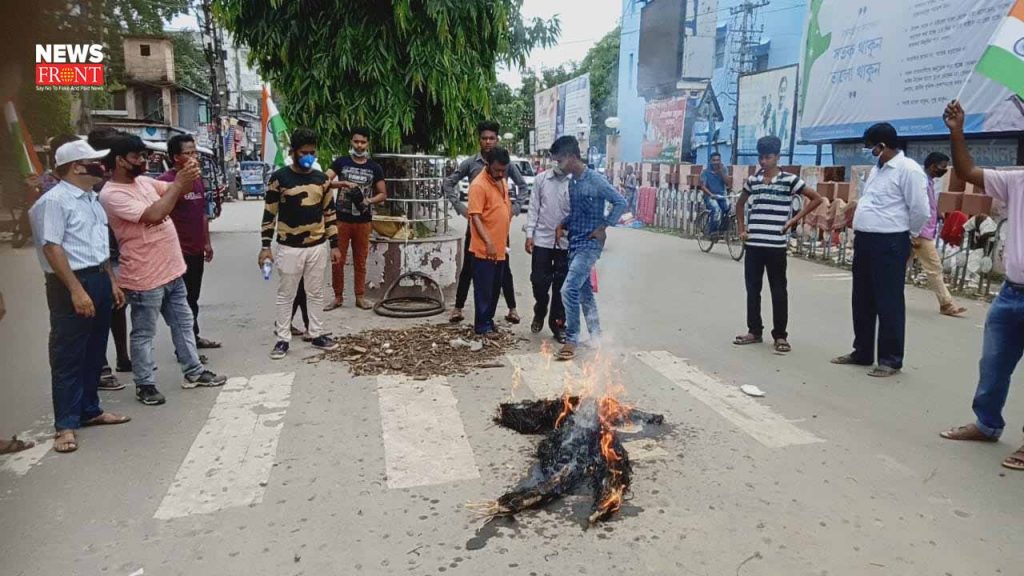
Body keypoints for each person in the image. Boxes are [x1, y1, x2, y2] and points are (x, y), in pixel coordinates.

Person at [99, 135, 228, 406]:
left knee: (182, 323)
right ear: (120, 161)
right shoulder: (112, 194)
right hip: (145, 275)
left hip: (172, 269)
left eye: (144, 156)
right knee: (144, 332)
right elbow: (155, 214)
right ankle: (144, 383)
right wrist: (180, 181)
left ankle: (193, 371)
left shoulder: (144, 182)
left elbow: (177, 194)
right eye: (137, 157)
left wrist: (186, 176)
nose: (143, 161)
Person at [28, 139, 132, 452]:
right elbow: (52, 246)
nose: (102, 167)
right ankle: (66, 425)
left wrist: (110, 281)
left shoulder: (91, 199)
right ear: (76, 167)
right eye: (95, 162)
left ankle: (90, 409)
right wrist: (76, 289)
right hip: (71, 283)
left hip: (98, 278)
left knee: (93, 350)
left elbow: (97, 246)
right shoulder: (54, 201)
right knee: (68, 355)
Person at [939, 101, 1024, 471]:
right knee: (993, 364)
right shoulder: (1017, 179)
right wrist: (957, 130)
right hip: (1011, 292)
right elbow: (967, 170)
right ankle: (987, 424)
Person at [832, 123, 930, 378]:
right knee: (862, 298)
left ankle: (890, 359)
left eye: (872, 149)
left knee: (889, 301)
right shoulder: (877, 170)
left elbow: (920, 209)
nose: (870, 153)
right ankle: (862, 351)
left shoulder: (909, 170)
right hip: (866, 240)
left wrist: (910, 237)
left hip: (890, 241)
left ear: (883, 146)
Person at [734, 136, 822, 353]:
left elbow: (817, 199)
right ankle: (754, 330)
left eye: (768, 157)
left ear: (777, 157)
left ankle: (780, 335)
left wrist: (793, 220)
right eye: (761, 157)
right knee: (753, 289)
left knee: (778, 290)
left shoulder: (790, 180)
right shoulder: (753, 181)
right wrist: (741, 229)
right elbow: (740, 204)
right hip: (754, 244)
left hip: (776, 245)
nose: (764, 161)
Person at [260, 128, 342, 360]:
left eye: (312, 153)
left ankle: (316, 333)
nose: (309, 157)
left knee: (315, 293)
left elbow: (329, 213)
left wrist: (334, 245)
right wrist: (265, 247)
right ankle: (283, 339)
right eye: (304, 152)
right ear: (293, 152)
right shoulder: (280, 179)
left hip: (317, 246)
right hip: (289, 247)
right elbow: (269, 215)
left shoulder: (322, 180)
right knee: (286, 294)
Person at [443, 120, 527, 325]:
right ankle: (459, 307)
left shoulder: (505, 163)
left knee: (503, 267)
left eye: (491, 138)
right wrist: (461, 209)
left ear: (497, 139)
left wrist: (512, 211)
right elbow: (448, 183)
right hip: (477, 224)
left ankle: (512, 308)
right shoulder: (471, 164)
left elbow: (523, 188)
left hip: (499, 228)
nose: (488, 142)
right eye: (484, 138)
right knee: (470, 267)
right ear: (479, 140)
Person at [550, 136, 627, 361]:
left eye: (560, 161)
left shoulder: (595, 180)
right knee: (584, 294)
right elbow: (577, 212)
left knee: (568, 289)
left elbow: (620, 202)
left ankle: (571, 339)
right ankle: (596, 337)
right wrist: (563, 224)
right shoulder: (573, 181)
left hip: (589, 245)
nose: (558, 166)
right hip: (574, 242)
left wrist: (604, 227)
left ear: (572, 157)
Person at [158, 134, 221, 350]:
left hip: (195, 249)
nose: (194, 157)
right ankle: (185, 346)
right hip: (175, 251)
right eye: (189, 153)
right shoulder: (165, 183)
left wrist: (206, 242)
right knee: (181, 302)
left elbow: (203, 213)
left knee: (193, 297)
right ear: (176, 157)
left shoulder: (197, 180)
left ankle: (193, 337)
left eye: (195, 152)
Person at [324, 127, 387, 312]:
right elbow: (324, 181)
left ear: (367, 144)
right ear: (351, 142)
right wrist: (342, 183)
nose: (359, 145)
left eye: (363, 142)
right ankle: (337, 297)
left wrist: (368, 200)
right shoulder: (341, 162)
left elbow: (383, 194)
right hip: (341, 219)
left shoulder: (374, 167)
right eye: (356, 141)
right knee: (338, 260)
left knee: (361, 260)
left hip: (363, 220)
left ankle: (360, 296)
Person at [86, 129, 133, 376]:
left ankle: (122, 357)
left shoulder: (116, 180)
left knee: (118, 306)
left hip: (117, 251)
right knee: (99, 311)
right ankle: (101, 365)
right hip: (96, 257)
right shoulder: (93, 183)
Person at [913, 152, 968, 318]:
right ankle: (946, 303)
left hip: (922, 231)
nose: (944, 170)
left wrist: (938, 213)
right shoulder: (921, 182)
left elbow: (929, 204)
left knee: (899, 267)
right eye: (943, 167)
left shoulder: (928, 181)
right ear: (932, 166)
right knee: (934, 267)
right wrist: (914, 233)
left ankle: (880, 296)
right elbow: (917, 206)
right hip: (920, 232)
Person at [525, 150, 571, 343]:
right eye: (557, 159)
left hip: (565, 243)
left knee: (561, 287)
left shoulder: (574, 182)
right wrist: (529, 235)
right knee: (538, 281)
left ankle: (558, 324)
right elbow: (534, 208)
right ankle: (540, 308)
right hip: (542, 240)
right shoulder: (541, 180)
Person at [467, 148, 513, 337]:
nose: (501, 174)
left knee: (495, 287)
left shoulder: (501, 181)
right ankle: (482, 325)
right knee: (484, 288)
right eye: (497, 170)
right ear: (487, 165)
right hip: (484, 248)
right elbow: (475, 217)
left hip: (500, 246)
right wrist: (488, 242)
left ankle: (489, 319)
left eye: (503, 170)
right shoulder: (478, 185)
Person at [699, 152, 731, 234]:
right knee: (716, 209)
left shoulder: (724, 169)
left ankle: (722, 229)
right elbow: (703, 186)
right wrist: (711, 195)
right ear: (710, 161)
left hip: (721, 195)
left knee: (728, 208)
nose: (716, 162)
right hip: (710, 196)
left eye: (718, 160)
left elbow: (728, 183)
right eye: (714, 160)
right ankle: (712, 231)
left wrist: (721, 173)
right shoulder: (705, 172)